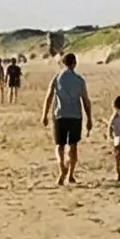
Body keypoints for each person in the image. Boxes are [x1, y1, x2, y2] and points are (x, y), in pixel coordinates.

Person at [42, 53, 94, 187]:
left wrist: (44, 115)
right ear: (74, 63)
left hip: (60, 115)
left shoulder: (57, 78)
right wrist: (89, 119)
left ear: (63, 64)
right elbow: (85, 101)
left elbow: (49, 97)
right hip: (75, 116)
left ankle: (61, 167)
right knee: (73, 145)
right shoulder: (79, 80)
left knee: (59, 145)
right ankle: (70, 174)